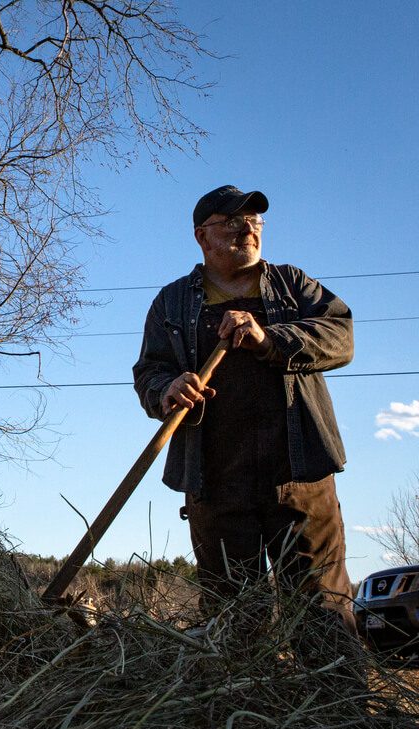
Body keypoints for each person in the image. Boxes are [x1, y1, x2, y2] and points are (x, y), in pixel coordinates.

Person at [132, 185, 357, 651]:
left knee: (323, 612)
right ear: (201, 236)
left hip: (300, 476)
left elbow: (340, 336)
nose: (247, 228)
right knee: (234, 618)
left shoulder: (293, 286)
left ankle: (343, 720)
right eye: (231, 221)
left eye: (254, 220)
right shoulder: (173, 302)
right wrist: (167, 388)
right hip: (214, 482)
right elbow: (149, 372)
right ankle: (249, 719)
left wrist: (270, 337)